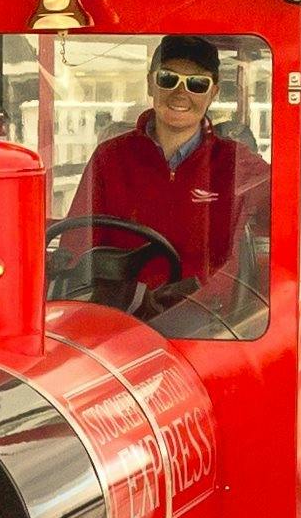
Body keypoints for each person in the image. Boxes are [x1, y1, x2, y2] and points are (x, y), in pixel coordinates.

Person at [76, 34, 259, 320]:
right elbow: (77, 245)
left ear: (214, 93)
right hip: (120, 319)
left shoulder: (236, 162)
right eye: (168, 79)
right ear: (151, 83)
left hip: (207, 326)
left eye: (197, 84)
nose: (180, 93)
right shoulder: (109, 157)